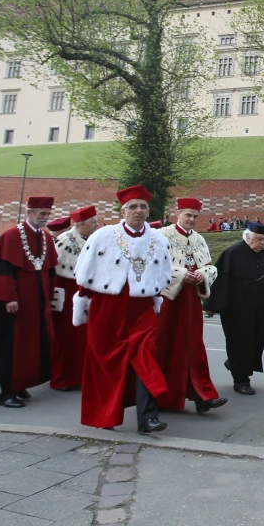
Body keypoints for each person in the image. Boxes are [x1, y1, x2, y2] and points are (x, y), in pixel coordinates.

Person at [74, 185, 173, 433]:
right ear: (123, 210)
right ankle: (105, 416)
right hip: (108, 306)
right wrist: (83, 303)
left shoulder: (159, 240)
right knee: (106, 362)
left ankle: (148, 418)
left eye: (142, 206)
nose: (138, 211)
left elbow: (164, 276)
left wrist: (157, 298)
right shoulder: (103, 236)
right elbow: (85, 273)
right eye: (133, 207)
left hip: (142, 308)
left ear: (148, 210)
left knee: (147, 355)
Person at [0, 197, 58, 408]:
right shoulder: (11, 236)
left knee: (33, 346)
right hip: (16, 305)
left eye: (47, 214)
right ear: (29, 212)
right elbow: (2, 269)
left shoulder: (46, 238)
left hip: (37, 305)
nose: (45, 218)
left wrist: (49, 298)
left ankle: (21, 383)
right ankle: (7, 391)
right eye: (41, 213)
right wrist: (9, 297)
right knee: (12, 347)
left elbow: (50, 271)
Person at [156, 197, 227, 415]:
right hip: (168, 300)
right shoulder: (162, 236)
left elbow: (210, 267)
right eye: (188, 215)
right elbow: (155, 266)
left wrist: (202, 274)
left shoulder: (199, 240)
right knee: (167, 345)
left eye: (195, 217)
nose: (192, 220)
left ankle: (202, 394)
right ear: (177, 213)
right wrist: (180, 275)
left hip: (191, 300)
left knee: (194, 346)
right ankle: (162, 395)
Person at [205, 222, 264, 395]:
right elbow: (220, 280)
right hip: (237, 311)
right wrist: (212, 305)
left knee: (256, 342)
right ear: (247, 237)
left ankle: (234, 364)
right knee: (240, 343)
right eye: (257, 239)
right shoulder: (232, 253)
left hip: (260, 309)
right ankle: (241, 381)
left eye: (263, 240)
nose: (261, 243)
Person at [50, 206, 97, 392]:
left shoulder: (92, 239)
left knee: (84, 339)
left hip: (87, 293)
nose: (96, 225)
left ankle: (80, 375)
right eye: (93, 222)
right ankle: (63, 378)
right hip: (67, 295)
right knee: (66, 339)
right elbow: (56, 272)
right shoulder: (64, 240)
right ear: (81, 225)